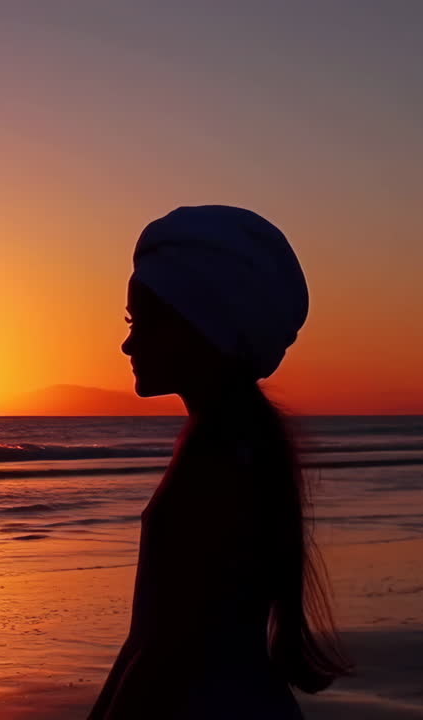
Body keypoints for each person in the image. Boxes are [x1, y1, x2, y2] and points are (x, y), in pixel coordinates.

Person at [90, 206, 351, 718]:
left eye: (144, 322)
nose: (128, 342)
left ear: (201, 328)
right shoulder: (231, 440)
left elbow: (168, 651)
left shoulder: (220, 458)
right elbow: (150, 642)